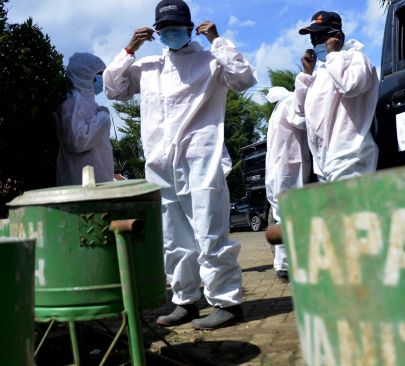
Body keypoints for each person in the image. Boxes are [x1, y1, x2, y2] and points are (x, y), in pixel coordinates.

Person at [103, 0, 257, 330]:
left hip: (200, 158)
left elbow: (244, 78)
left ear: (190, 29)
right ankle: (184, 300)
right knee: (173, 238)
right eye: (165, 29)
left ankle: (227, 303)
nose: (171, 33)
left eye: (177, 28)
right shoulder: (148, 67)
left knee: (210, 231)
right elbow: (113, 88)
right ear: (156, 32)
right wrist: (130, 49)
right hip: (159, 163)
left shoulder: (211, 60)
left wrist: (217, 40)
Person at [294, 11, 379, 182]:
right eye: (312, 39)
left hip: (349, 156)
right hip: (325, 162)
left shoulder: (356, 58)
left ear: (337, 36)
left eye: (319, 37)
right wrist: (306, 74)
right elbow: (300, 115)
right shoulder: (322, 72)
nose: (314, 43)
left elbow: (351, 85)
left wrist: (333, 54)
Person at [264, 87, 311, 282]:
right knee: (290, 215)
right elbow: (300, 121)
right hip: (291, 167)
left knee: (280, 215)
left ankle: (282, 264)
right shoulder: (290, 102)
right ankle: (288, 265)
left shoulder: (275, 112)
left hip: (276, 170)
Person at [56, 52, 114, 186]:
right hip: (81, 184)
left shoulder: (87, 102)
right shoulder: (73, 101)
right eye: (99, 74)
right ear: (86, 75)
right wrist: (103, 118)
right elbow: (77, 141)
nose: (102, 79)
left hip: (96, 183)